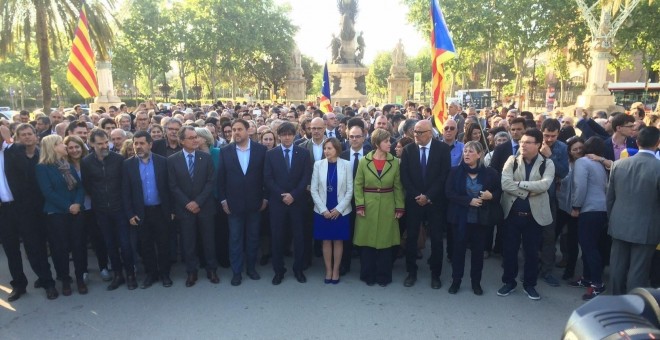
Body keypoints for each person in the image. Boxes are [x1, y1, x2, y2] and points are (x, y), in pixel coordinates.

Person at [0, 124, 58, 301]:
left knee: (35, 246)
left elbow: (25, 166)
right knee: (11, 250)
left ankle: (47, 282)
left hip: (24, 208)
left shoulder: (14, 150)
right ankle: (18, 284)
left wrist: (8, 139)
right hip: (4, 211)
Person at [498, 129, 555, 300]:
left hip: (534, 217)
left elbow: (544, 185)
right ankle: (509, 281)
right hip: (512, 214)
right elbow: (505, 184)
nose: (523, 145)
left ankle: (530, 285)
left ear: (538, 145)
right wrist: (529, 190)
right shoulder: (512, 160)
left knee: (531, 253)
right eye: (522, 141)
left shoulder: (547, 163)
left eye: (528, 142)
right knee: (509, 251)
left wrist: (520, 184)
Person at [607, 126, 660, 295]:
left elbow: (610, 198)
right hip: (647, 227)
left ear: (637, 142)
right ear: (658, 143)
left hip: (619, 222)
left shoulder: (618, 164)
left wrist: (612, 219)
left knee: (617, 266)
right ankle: (632, 307)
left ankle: (614, 301)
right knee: (638, 271)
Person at [82, 129, 137, 290]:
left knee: (125, 244)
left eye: (106, 142)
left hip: (119, 209)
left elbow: (125, 184)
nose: (104, 146)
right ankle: (118, 275)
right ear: (92, 144)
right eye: (100, 143)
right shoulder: (86, 162)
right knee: (110, 244)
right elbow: (87, 186)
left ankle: (130, 275)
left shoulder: (118, 159)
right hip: (101, 210)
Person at [400, 120, 451, 289]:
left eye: (420, 132)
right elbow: (405, 177)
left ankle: (435, 275)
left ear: (430, 133)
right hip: (414, 202)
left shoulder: (442, 149)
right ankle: (411, 272)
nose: (416, 135)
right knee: (412, 238)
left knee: (436, 240)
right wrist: (417, 196)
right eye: (415, 131)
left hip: (435, 202)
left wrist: (428, 196)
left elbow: (444, 176)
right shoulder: (408, 150)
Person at [445, 141, 501, 295]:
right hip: (460, 219)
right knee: (458, 252)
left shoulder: (490, 173)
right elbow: (449, 193)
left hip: (480, 220)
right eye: (465, 151)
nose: (467, 154)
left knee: (477, 254)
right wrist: (468, 201)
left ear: (479, 154)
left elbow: (499, 192)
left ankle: (476, 283)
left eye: (470, 152)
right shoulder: (455, 172)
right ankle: (456, 281)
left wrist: (491, 195)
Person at [218, 119, 268, 286]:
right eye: (234, 129)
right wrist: (224, 200)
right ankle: (237, 272)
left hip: (255, 203)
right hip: (233, 205)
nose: (236, 132)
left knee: (253, 238)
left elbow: (266, 177)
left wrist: (265, 198)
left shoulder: (261, 150)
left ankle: (251, 268)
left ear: (248, 131)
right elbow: (221, 179)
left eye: (240, 129)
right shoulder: (225, 151)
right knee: (235, 239)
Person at [167, 126, 218, 287]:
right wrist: (187, 203)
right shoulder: (172, 160)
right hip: (185, 209)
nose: (195, 140)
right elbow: (173, 185)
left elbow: (210, 182)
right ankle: (191, 272)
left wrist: (198, 202)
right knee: (188, 242)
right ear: (182, 141)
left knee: (208, 240)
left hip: (205, 207)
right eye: (191, 138)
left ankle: (211, 270)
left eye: (196, 137)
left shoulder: (206, 157)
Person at [36, 135, 86, 296]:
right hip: (56, 214)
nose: (65, 147)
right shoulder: (42, 167)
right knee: (60, 249)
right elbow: (48, 192)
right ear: (52, 147)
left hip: (76, 212)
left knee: (78, 246)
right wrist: (68, 206)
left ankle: (80, 278)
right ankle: (65, 279)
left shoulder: (67, 164)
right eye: (61, 144)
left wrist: (77, 203)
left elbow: (79, 187)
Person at [353, 129, 405, 287]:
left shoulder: (394, 162)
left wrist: (399, 207)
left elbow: (398, 187)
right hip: (367, 206)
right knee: (367, 241)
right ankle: (368, 274)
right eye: (386, 141)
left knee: (385, 242)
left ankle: (383, 275)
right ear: (377, 143)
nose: (390, 144)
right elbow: (358, 185)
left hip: (388, 205)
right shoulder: (364, 161)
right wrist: (360, 204)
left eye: (390, 141)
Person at [122, 131, 173, 289]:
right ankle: (151, 274)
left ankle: (165, 274)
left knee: (164, 244)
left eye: (142, 143)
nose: (138, 146)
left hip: (160, 210)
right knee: (146, 245)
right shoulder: (128, 165)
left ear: (150, 144)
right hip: (140, 212)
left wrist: (171, 210)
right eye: (135, 143)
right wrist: (130, 213)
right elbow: (126, 192)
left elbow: (170, 187)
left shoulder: (163, 162)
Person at [264, 122, 312, 285]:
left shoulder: (303, 153)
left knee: (299, 237)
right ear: (279, 136)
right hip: (278, 203)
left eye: (289, 134)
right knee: (277, 238)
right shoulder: (271, 154)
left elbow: (306, 177)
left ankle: (298, 269)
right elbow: (268, 178)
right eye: (283, 134)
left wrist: (294, 195)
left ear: (294, 135)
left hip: (297, 202)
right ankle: (279, 271)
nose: (286, 137)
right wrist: (282, 195)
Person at [568, 137, 609, 300]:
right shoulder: (599, 163)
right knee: (592, 246)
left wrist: (576, 206)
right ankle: (587, 278)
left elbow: (580, 186)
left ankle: (597, 284)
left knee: (589, 247)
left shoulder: (582, 162)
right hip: (601, 208)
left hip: (589, 209)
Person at [310, 138, 353, 284]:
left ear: (337, 149)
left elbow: (350, 190)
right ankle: (328, 270)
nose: (326, 151)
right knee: (326, 241)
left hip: (340, 209)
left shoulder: (346, 165)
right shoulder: (318, 165)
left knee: (338, 240)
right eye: (325, 148)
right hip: (323, 209)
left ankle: (336, 270)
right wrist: (323, 210)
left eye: (330, 148)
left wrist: (339, 209)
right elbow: (314, 189)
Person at [338, 125, 372, 275]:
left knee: (365, 233)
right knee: (347, 234)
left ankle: (366, 267)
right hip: (345, 201)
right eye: (351, 136)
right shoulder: (342, 155)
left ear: (364, 138)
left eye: (357, 136)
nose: (354, 139)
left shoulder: (371, 155)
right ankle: (344, 265)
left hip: (367, 200)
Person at [556, 137, 584, 282]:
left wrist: (576, 206)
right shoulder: (566, 163)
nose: (578, 151)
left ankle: (570, 270)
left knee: (572, 240)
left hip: (576, 208)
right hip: (562, 205)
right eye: (575, 149)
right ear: (570, 152)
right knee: (553, 234)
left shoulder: (587, 163)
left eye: (580, 148)